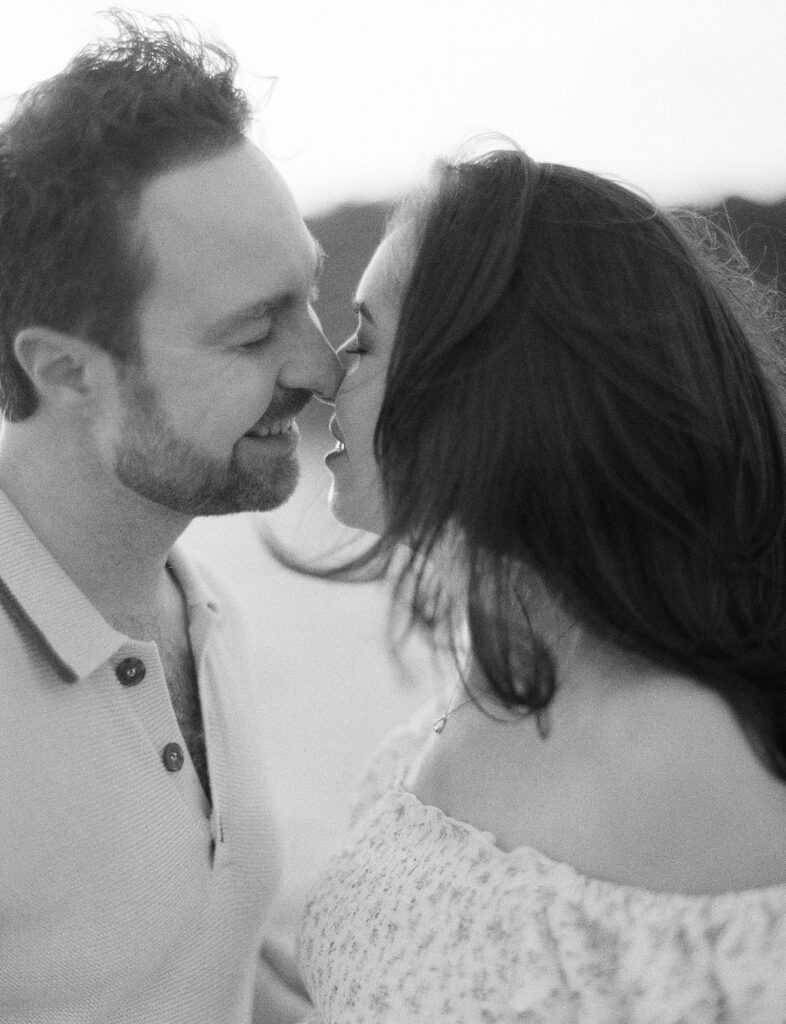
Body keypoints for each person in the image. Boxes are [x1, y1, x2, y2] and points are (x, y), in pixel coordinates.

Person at [296, 143, 786, 1020]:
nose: (330, 375)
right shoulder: (485, 681)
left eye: (365, 339)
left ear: (487, 387)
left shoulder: (687, 758)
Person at [0, 12, 340, 1023]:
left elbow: (199, 953)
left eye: (310, 296)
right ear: (66, 370)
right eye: (252, 332)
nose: (321, 367)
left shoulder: (203, 607)